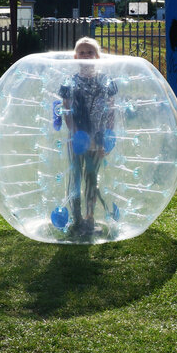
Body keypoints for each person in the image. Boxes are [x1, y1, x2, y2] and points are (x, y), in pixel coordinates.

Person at [55, 36, 118, 237]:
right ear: (75, 57)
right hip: (76, 139)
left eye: (90, 52)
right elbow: (66, 110)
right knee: (74, 178)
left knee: (91, 178)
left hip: (98, 138)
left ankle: (90, 218)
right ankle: (76, 218)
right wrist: (76, 135)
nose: (86, 55)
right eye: (81, 52)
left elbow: (111, 110)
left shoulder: (106, 81)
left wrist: (107, 138)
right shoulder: (70, 82)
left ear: (97, 56)